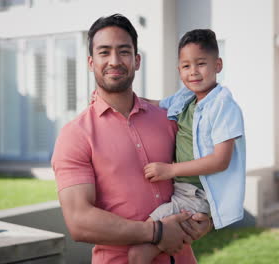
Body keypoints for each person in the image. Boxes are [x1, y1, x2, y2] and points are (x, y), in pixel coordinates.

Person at [51, 14, 211, 264]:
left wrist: (208, 220)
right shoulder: (75, 135)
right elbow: (79, 221)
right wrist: (156, 231)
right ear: (91, 62)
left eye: (123, 52)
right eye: (104, 52)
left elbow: (203, 175)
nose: (114, 61)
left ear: (137, 60)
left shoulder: (168, 120)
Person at [128, 29, 246, 263]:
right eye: (186, 66)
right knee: (148, 250)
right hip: (183, 191)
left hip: (197, 195)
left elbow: (220, 160)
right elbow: (154, 105)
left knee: (137, 253)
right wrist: (113, 98)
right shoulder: (186, 98)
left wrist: (169, 170)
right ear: (179, 69)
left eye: (201, 64)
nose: (193, 72)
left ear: (218, 65)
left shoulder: (223, 106)